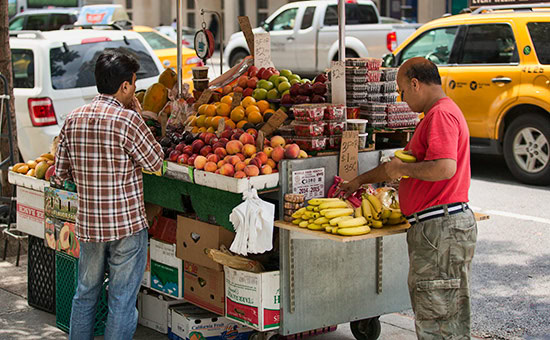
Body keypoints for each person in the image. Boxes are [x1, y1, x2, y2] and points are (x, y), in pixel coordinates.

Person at [339, 57, 477, 339]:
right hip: (440, 229)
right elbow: (395, 166)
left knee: (438, 317)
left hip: (440, 229)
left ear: (415, 84)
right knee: (444, 313)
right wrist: (359, 182)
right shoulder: (435, 115)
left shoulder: (440, 115)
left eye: (402, 91)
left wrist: (402, 169)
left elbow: (444, 167)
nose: (402, 98)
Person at [55, 51, 164, 340]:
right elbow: (156, 163)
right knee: (122, 301)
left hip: (90, 225)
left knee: (85, 293)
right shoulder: (128, 120)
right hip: (126, 225)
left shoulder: (73, 119)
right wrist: (140, 117)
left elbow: (59, 172)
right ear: (125, 86)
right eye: (134, 83)